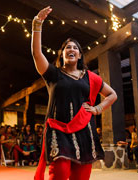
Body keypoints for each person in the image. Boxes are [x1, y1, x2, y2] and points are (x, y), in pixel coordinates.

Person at [31, 6, 118, 180]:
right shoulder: (53, 74)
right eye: (67, 47)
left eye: (75, 48)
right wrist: (37, 25)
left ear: (79, 55)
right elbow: (36, 53)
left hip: (85, 131)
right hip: (59, 130)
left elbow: (112, 95)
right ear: (62, 54)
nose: (71, 49)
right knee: (60, 173)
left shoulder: (91, 77)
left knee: (81, 177)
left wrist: (98, 109)